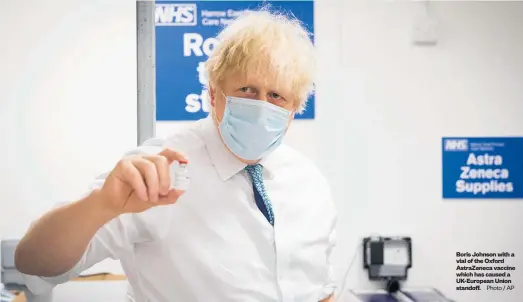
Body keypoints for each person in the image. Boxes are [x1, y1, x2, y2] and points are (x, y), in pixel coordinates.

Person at [15, 7, 337, 302]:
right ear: (213, 93)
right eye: (247, 90)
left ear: (293, 110)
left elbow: (320, 291)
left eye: (276, 96)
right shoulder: (157, 171)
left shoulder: (310, 185)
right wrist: (101, 204)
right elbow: (33, 262)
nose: (261, 106)